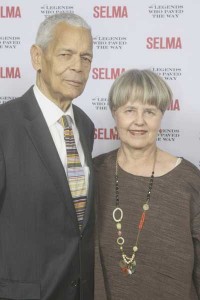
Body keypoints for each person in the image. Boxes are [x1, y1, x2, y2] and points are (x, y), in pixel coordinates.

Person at [0, 12, 95, 300]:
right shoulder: (5, 124)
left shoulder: (85, 125)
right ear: (37, 57)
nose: (78, 67)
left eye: (86, 58)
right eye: (66, 54)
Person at [94, 69, 200, 300]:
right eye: (129, 110)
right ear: (115, 114)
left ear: (162, 116)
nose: (139, 121)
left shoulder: (189, 181)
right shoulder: (93, 174)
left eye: (150, 111)